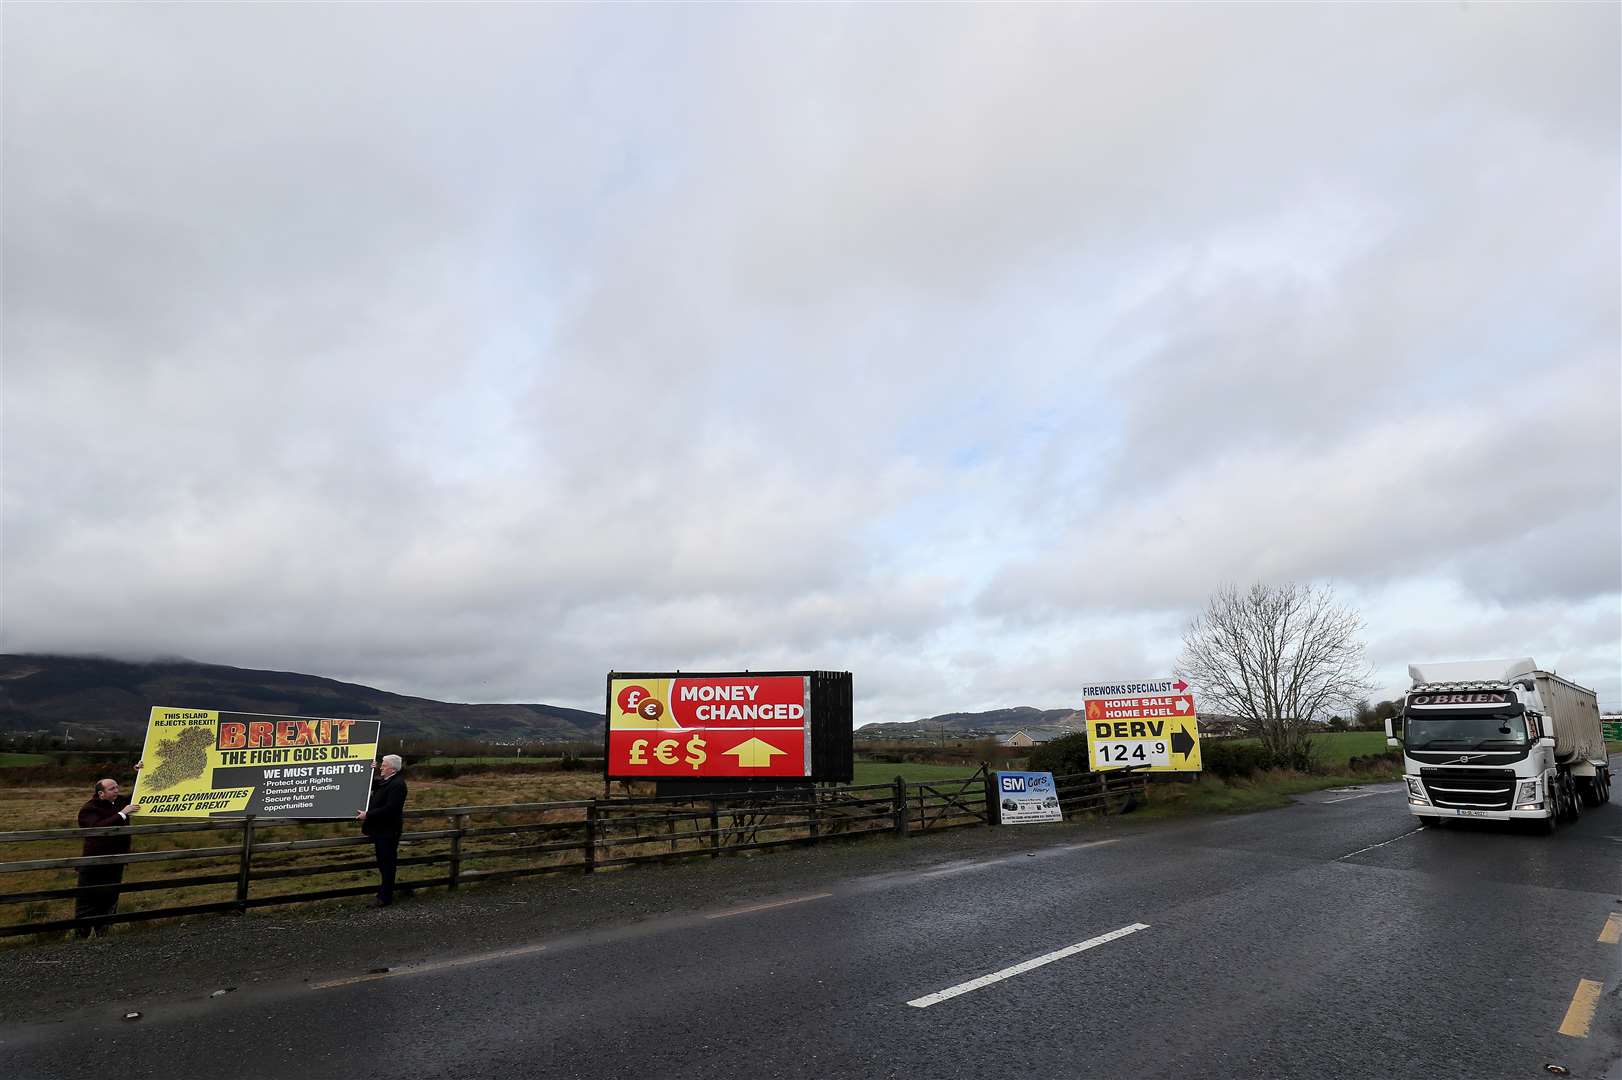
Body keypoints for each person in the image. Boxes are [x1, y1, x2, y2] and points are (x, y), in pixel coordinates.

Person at [75, 765, 142, 937]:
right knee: (87, 901)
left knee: (110, 898)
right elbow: (96, 828)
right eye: (112, 788)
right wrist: (122, 815)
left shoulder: (119, 802)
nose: (116, 790)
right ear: (101, 793)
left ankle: (103, 934)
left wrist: (140, 772)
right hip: (94, 863)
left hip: (115, 862)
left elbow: (138, 793)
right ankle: (81, 936)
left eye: (117, 787)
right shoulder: (89, 809)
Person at [356, 754, 407, 907]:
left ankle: (385, 898)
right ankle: (383, 894)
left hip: (388, 831)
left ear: (392, 768)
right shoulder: (387, 781)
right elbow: (373, 785)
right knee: (383, 863)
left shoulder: (397, 784)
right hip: (381, 830)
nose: (381, 767)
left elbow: (391, 809)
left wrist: (368, 815)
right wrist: (369, 771)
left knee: (387, 864)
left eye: (383, 765)